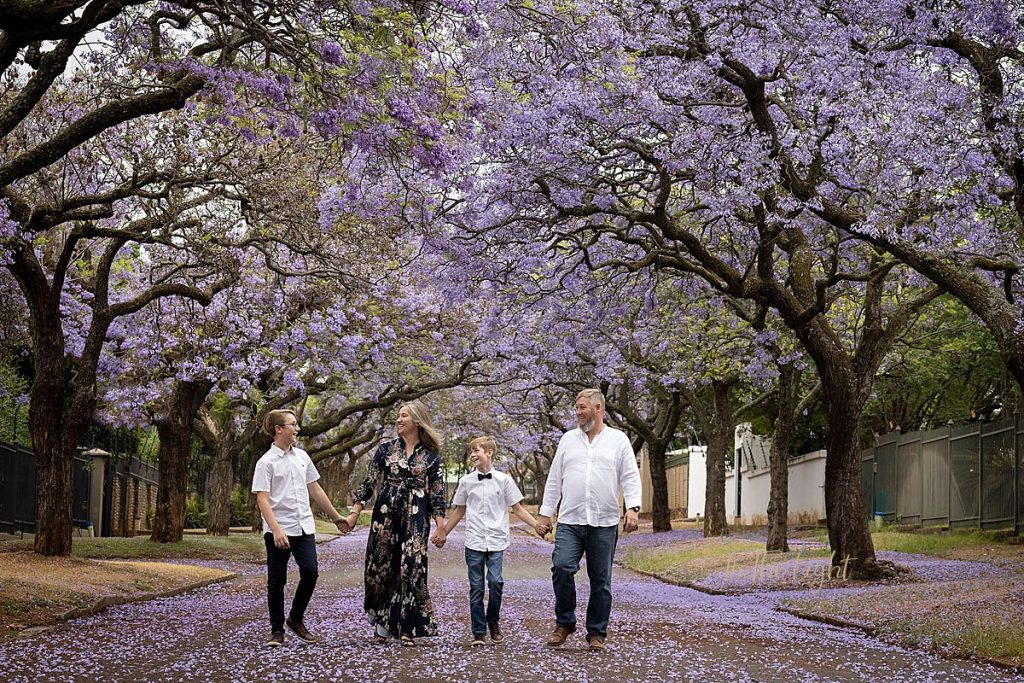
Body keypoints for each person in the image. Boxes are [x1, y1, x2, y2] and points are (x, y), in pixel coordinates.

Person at [535, 389, 642, 652]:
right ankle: (565, 623)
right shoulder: (568, 440)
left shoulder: (618, 440)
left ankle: (596, 633)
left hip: (604, 522)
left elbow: (630, 475)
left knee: (601, 581)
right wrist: (545, 513)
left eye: (582, 407)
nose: (578, 412)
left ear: (598, 409)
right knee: (561, 568)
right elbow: (555, 478)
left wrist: (633, 508)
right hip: (571, 519)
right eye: (576, 407)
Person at [341, 401, 447, 646]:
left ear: (417, 421)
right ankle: (382, 625)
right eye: (398, 416)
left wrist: (441, 527)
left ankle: (408, 628)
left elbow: (437, 495)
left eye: (404, 416)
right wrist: (355, 513)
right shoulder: (386, 449)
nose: (399, 420)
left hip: (417, 517)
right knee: (383, 566)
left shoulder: (432, 457)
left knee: (412, 567)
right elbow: (368, 483)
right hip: (386, 516)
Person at [252, 409, 348, 648]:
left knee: (311, 572)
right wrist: (276, 530)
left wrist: (336, 517)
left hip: (304, 526)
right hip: (279, 529)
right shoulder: (266, 462)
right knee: (277, 581)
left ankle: (295, 618)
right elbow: (262, 499)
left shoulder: (303, 456)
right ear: (278, 429)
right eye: (292, 424)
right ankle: (277, 631)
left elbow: (315, 489)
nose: (297, 429)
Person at [436, 435, 542, 646]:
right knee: (476, 587)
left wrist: (537, 525)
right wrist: (443, 532)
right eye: (471, 451)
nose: (473, 455)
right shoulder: (466, 482)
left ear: (489, 453)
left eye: (477, 450)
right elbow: (459, 511)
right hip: (474, 541)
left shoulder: (504, 480)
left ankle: (492, 620)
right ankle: (478, 632)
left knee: (496, 582)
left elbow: (517, 508)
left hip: (496, 540)